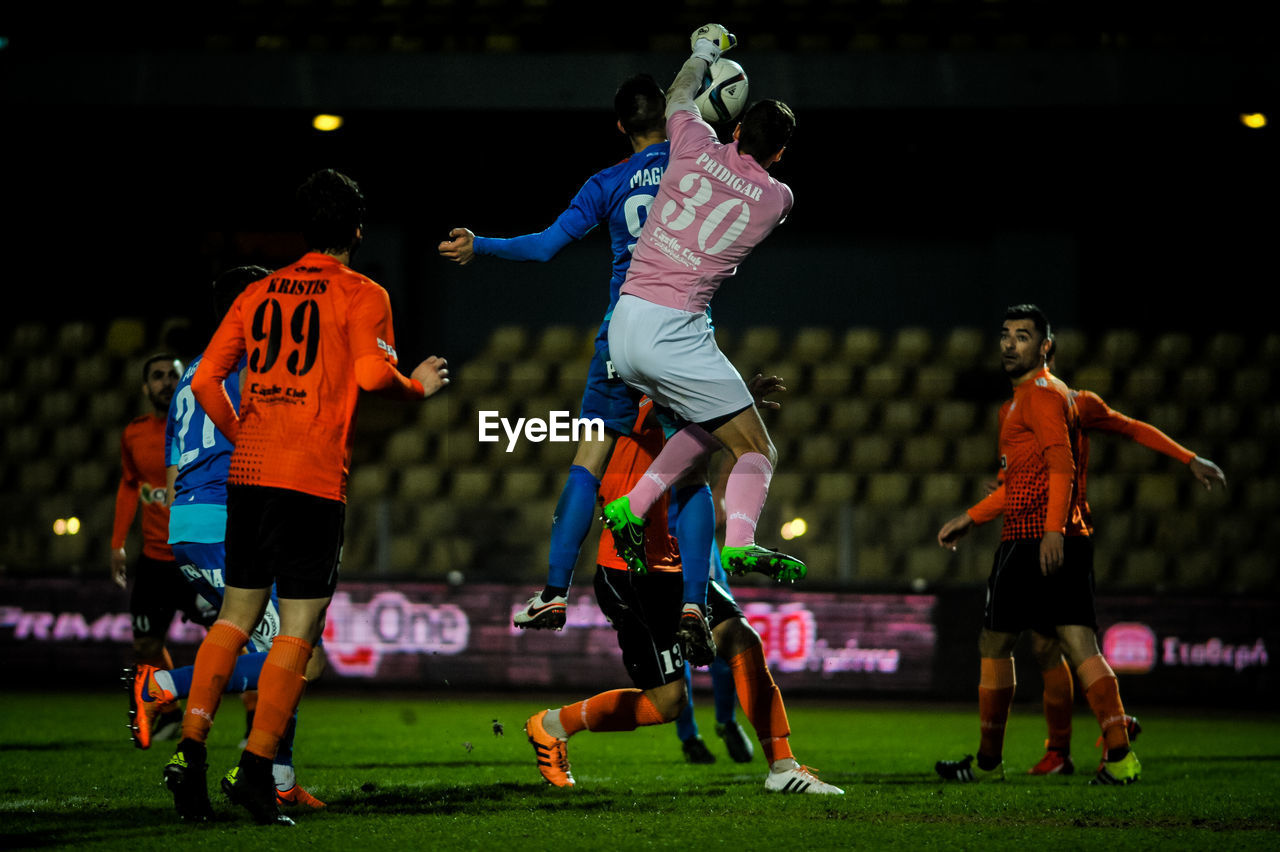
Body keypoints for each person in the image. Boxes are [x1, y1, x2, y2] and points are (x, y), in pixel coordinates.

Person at [163, 169, 450, 826]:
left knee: (234, 619)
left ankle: (190, 751)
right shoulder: (362, 291)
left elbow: (207, 378)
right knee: (297, 630)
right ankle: (258, 769)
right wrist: (417, 386)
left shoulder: (258, 291)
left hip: (251, 472)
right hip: (310, 475)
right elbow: (373, 374)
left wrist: (244, 431)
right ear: (356, 228)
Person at [438, 74, 730, 655]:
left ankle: (552, 590)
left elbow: (546, 245)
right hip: (680, 332)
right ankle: (696, 602)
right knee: (689, 472)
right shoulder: (700, 163)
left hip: (620, 333)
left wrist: (482, 245)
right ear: (673, 117)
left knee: (588, 462)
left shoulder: (608, 181)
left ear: (620, 126)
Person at [599, 26, 804, 662]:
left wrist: (704, 52)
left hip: (625, 322)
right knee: (758, 448)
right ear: (778, 156)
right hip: (676, 328)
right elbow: (755, 176)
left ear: (737, 128)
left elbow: (678, 98)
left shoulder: (690, 143)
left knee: (710, 426)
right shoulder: (777, 199)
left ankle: (633, 507)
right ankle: (740, 541)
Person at [524, 391, 842, 794]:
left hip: (671, 564)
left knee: (741, 639)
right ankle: (552, 725)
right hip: (628, 573)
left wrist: (734, 405)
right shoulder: (629, 400)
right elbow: (677, 423)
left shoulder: (672, 389)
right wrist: (733, 406)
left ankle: (782, 765)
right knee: (666, 703)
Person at [933, 304, 1142, 786]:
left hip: (1031, 538)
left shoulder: (1041, 396)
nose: (1009, 344)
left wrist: (1050, 530)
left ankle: (988, 764)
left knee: (997, 641)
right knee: (1073, 643)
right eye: (1005, 334)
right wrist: (971, 517)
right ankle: (1120, 757)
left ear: (1045, 346)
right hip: (1054, 532)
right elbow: (1021, 481)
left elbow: (1061, 465)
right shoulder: (1033, 399)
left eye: (1022, 336)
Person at [144, 265, 326, 810]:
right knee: (300, 655)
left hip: (190, 525)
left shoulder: (192, 373)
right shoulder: (250, 365)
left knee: (272, 643)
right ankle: (166, 687)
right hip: (229, 519)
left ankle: (277, 775)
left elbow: (176, 470)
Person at [1019, 365, 1226, 776]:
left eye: (1024, 339)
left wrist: (1188, 458)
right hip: (1030, 536)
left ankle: (1118, 744)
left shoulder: (1080, 403)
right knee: (1044, 646)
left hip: (1068, 534)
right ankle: (1060, 751)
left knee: (1077, 640)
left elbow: (1132, 428)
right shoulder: (1019, 410)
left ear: (1046, 350)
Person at [111, 352, 203, 742]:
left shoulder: (204, 426)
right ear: (146, 387)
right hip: (154, 560)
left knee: (239, 639)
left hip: (199, 558)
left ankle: (254, 727)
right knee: (146, 644)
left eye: (173, 375)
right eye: (158, 376)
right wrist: (117, 544)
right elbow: (129, 485)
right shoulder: (133, 434)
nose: (166, 382)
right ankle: (169, 714)